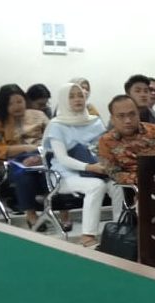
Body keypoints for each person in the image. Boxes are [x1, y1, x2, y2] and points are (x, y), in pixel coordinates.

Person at [42, 83, 123, 247]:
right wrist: (89, 167)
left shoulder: (94, 121)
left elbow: (104, 148)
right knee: (96, 185)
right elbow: (62, 159)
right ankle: (87, 236)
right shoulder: (57, 125)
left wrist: (105, 164)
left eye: (80, 95)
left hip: (96, 169)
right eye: (71, 96)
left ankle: (119, 230)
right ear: (63, 100)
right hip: (65, 175)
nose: (77, 99)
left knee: (117, 185)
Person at [0, 84, 51, 229]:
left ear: (25, 100)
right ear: (3, 105)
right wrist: (26, 148)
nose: (17, 106)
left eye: (19, 101)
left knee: (52, 171)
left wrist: (39, 153)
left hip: (41, 156)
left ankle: (55, 211)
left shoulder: (38, 115)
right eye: (11, 103)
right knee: (24, 174)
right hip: (11, 161)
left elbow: (53, 137)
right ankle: (31, 215)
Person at [98, 95, 155, 185]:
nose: (128, 120)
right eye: (121, 116)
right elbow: (113, 172)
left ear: (138, 114)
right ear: (112, 119)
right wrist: (141, 179)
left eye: (132, 114)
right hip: (133, 186)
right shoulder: (106, 141)